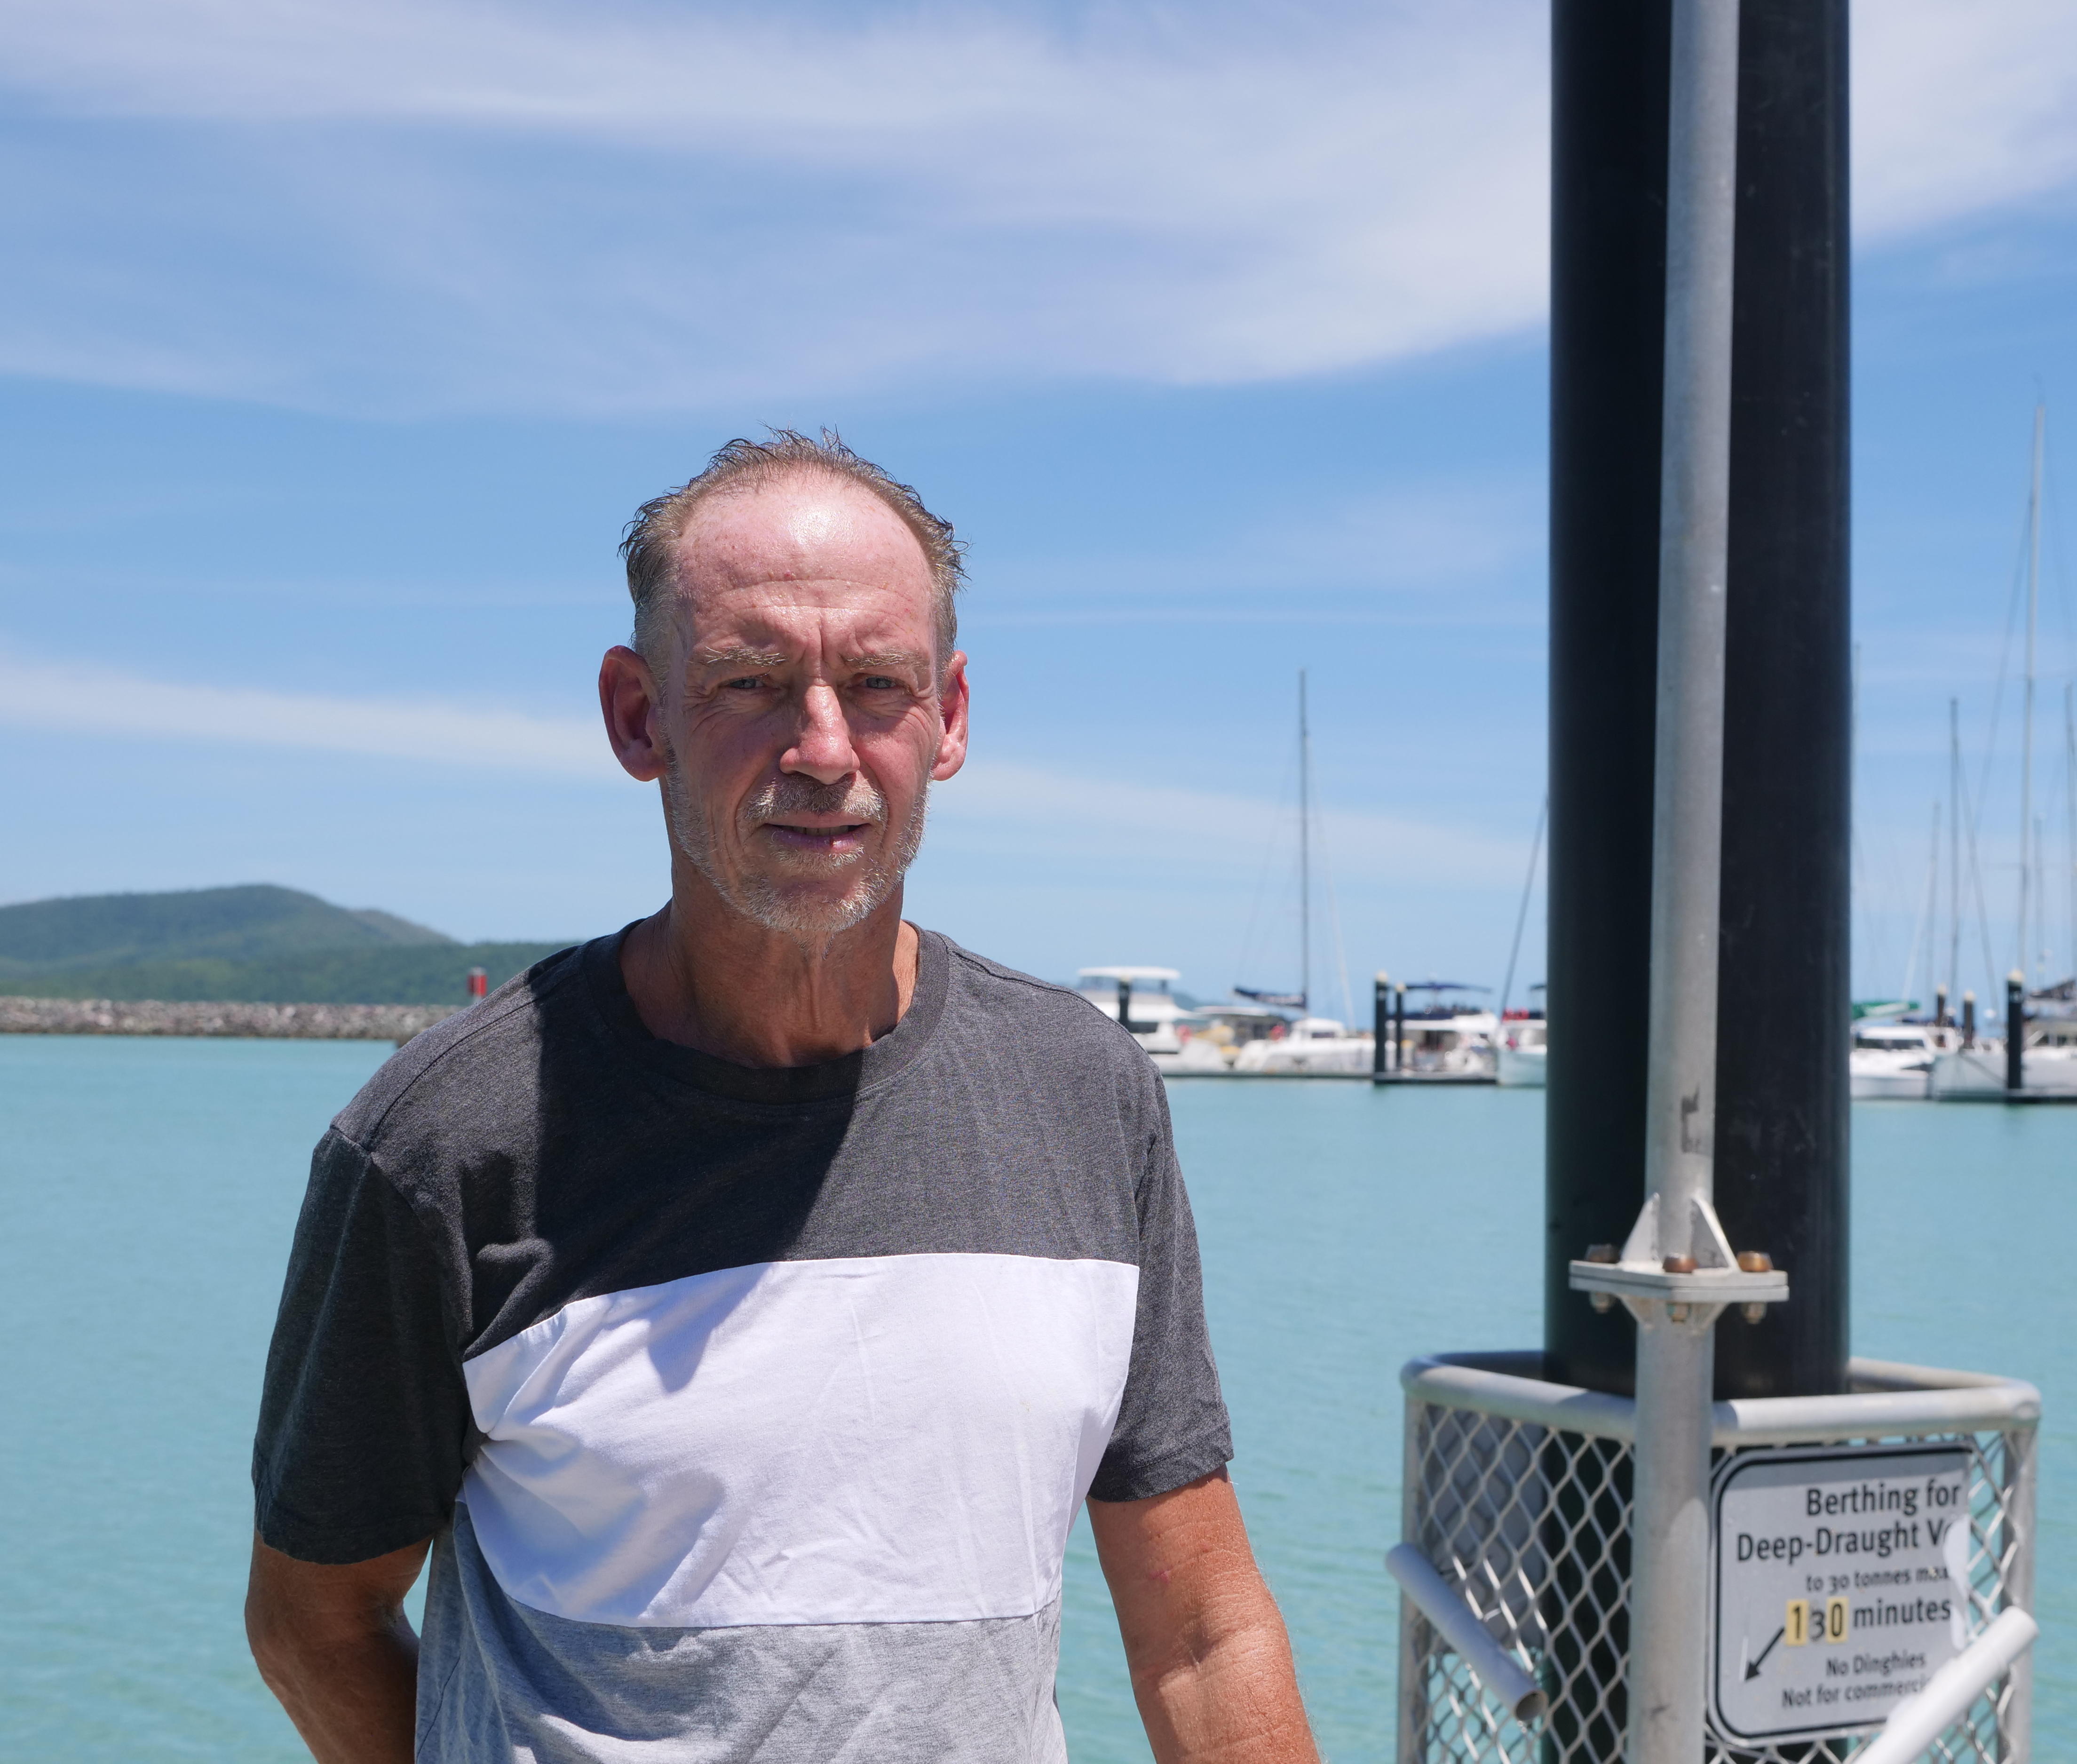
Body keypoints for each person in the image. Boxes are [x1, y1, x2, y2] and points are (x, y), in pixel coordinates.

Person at [245, 432, 1317, 1764]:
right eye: (753, 684)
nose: (824, 748)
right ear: (641, 718)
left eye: (877, 684)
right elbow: (312, 1623)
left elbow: (1203, 1633)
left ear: (953, 717)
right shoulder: (444, 1143)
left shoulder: (1085, 1098)